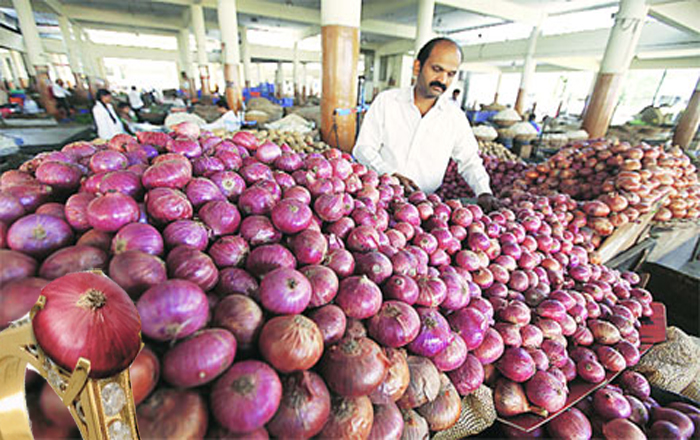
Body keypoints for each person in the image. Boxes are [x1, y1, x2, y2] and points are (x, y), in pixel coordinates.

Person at [353, 37, 499, 211]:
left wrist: (484, 191)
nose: (443, 80)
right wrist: (390, 174)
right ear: (417, 67)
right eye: (437, 69)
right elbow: (363, 148)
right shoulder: (387, 102)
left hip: (426, 209)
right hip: (380, 198)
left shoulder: (455, 117)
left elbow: (469, 160)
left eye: (451, 74)